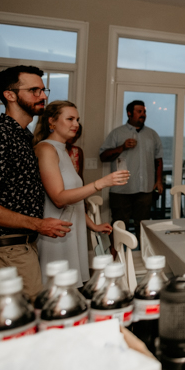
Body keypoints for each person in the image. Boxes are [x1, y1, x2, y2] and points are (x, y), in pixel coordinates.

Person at [0, 66, 70, 298]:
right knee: (29, 319)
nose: (43, 96)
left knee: (12, 322)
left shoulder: (22, 136)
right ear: (9, 95)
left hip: (18, 245)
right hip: (4, 249)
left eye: (44, 90)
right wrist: (38, 224)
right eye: (34, 90)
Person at [33, 101, 127, 287]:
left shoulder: (63, 150)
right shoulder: (45, 149)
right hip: (56, 233)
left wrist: (93, 226)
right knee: (57, 289)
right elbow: (59, 199)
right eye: (70, 119)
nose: (76, 124)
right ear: (51, 122)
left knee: (71, 290)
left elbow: (73, 199)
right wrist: (101, 183)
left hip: (72, 230)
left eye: (77, 119)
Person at [99, 100, 163, 241]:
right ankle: (116, 258)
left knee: (144, 226)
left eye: (144, 112)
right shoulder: (117, 133)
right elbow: (103, 156)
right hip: (121, 190)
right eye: (139, 111)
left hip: (145, 190)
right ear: (129, 113)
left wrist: (159, 181)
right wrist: (122, 147)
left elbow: (158, 159)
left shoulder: (152, 135)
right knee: (119, 226)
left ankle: (144, 257)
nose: (143, 115)